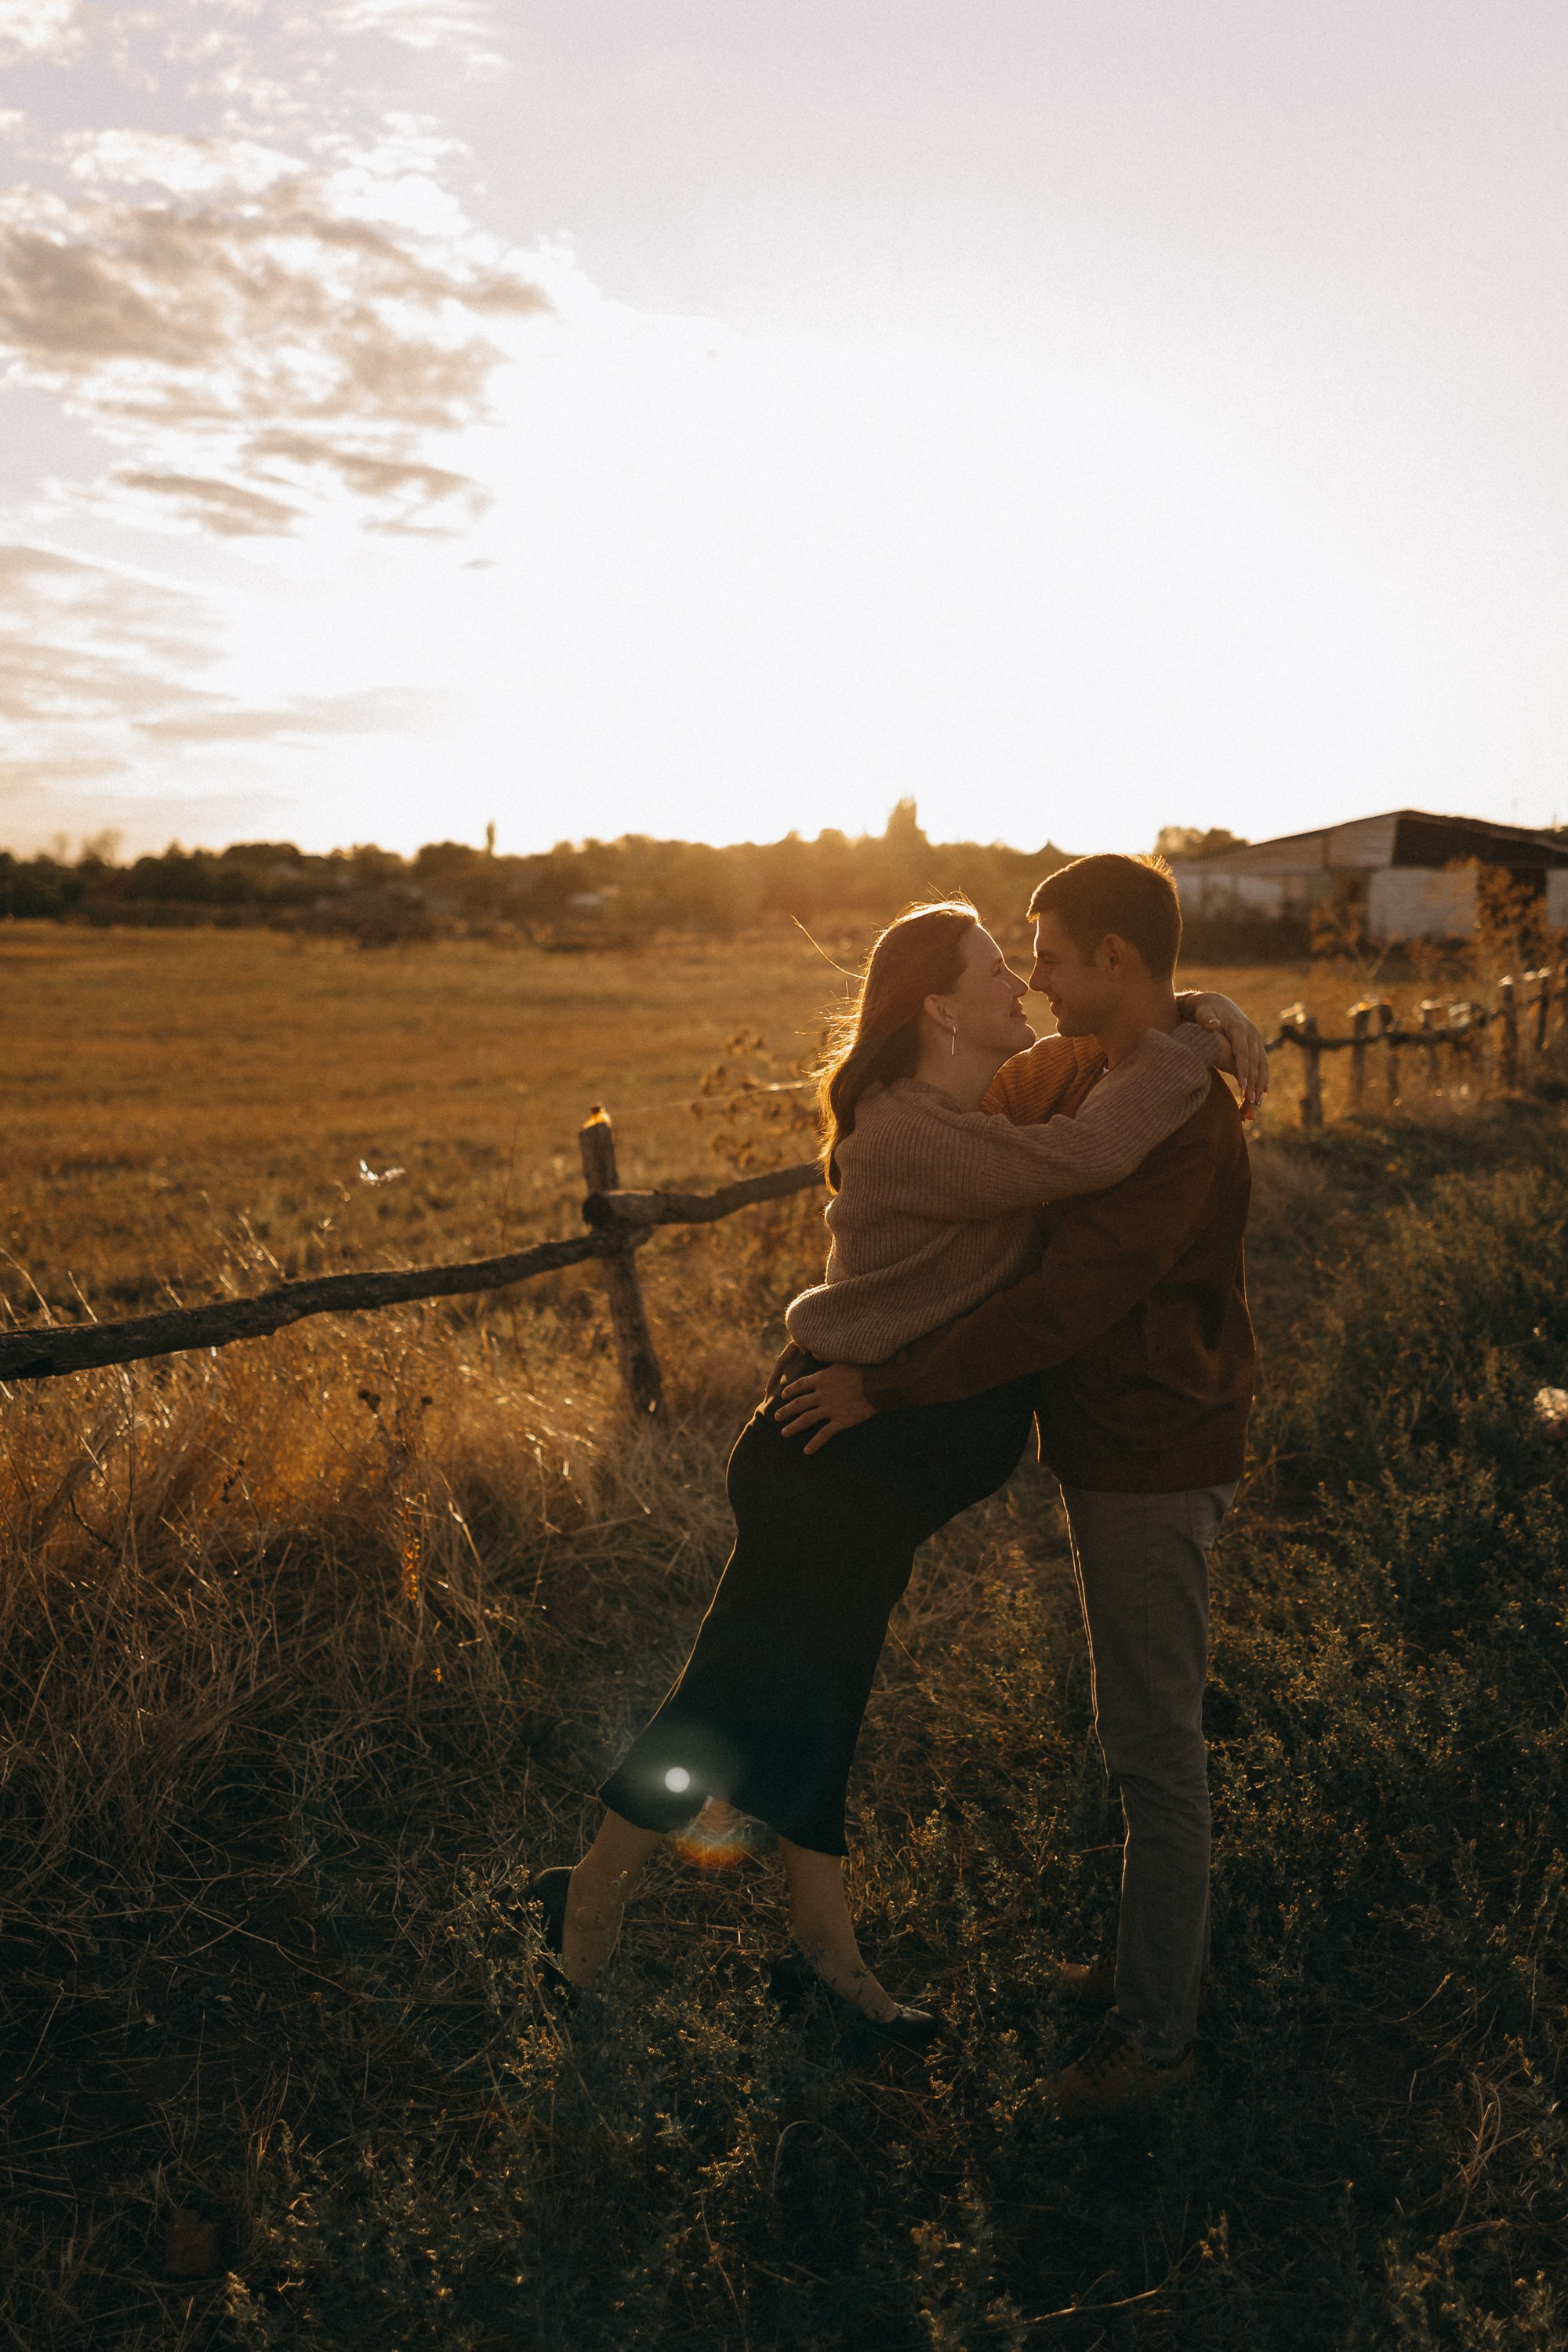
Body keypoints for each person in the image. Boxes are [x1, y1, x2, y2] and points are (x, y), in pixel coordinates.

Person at [530, 889, 1264, 2044]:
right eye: (996, 970)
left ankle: (826, 1960)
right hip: (831, 1461)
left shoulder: (987, 1096)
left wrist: (1204, 1008)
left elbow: (1100, 1069)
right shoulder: (918, 1130)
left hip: (872, 1477)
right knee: (726, 1707)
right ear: (938, 1006)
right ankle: (588, 1906)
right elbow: (1090, 1150)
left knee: (816, 1712)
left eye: (1039, 963)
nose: (1023, 985)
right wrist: (1198, 1040)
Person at [775, 853, 1256, 2112]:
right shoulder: (1091, 1068)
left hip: (1156, 1449)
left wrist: (887, 1384)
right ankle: (1155, 1961)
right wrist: (1206, 1014)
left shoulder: (1180, 1121)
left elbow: (1060, 1304)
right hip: (1110, 1446)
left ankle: (1155, 2046)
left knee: (1156, 1747)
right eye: (1018, 962)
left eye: (1048, 955)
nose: (1033, 981)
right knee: (1131, 1730)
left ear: (1113, 961)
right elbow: (987, 1096)